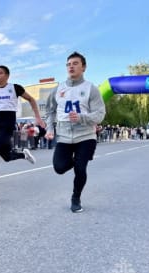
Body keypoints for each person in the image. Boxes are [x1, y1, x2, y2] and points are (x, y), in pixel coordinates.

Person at [45, 52, 106, 213]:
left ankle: (76, 198)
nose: (71, 66)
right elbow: (50, 111)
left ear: (83, 67)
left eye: (75, 63)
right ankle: (78, 159)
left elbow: (100, 114)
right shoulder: (58, 89)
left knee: (80, 168)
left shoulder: (91, 89)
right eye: (68, 64)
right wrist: (50, 129)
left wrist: (81, 117)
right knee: (59, 168)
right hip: (64, 135)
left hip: (85, 135)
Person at [0, 65, 44, 193]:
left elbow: (31, 99)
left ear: (7, 75)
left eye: (0, 73)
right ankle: (23, 154)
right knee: (7, 157)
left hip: (7, 124)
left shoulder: (15, 88)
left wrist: (37, 117)